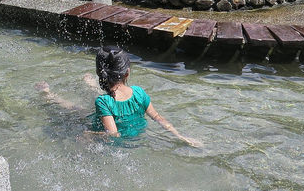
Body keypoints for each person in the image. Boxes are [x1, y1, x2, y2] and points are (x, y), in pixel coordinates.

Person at [35, 47, 201, 146]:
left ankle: (48, 94)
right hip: (138, 137)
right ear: (127, 73)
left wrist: (88, 134)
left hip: (122, 144)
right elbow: (158, 117)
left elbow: (113, 134)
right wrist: (181, 137)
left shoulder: (102, 102)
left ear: (100, 73)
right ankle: (90, 85)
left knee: (76, 109)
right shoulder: (139, 92)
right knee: (102, 101)